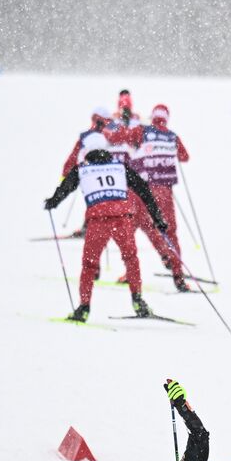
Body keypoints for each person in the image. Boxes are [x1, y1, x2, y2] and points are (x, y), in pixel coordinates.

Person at [42, 133, 167, 322]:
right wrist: (157, 216)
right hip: (122, 220)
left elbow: (65, 188)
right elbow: (143, 189)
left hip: (97, 222)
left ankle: (83, 308)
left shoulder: (82, 169)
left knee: (89, 265)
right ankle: (138, 301)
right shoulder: (120, 167)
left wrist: (53, 202)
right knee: (131, 259)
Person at [112, 102, 191, 292]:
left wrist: (113, 128)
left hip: (141, 192)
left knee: (130, 228)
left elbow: (120, 137)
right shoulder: (172, 137)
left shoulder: (142, 131)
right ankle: (178, 276)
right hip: (164, 192)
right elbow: (185, 156)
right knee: (169, 231)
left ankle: (130, 273)